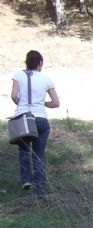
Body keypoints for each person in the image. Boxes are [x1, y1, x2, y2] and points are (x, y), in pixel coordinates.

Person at [10, 50, 60, 197]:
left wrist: (22, 105)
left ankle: (26, 180)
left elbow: (14, 95)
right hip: (41, 119)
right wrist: (42, 104)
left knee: (24, 150)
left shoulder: (18, 75)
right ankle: (41, 190)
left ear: (26, 62)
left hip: (24, 118)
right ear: (40, 63)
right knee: (39, 155)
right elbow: (56, 103)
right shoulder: (46, 79)